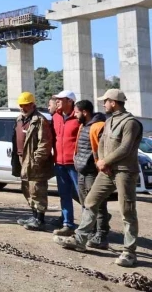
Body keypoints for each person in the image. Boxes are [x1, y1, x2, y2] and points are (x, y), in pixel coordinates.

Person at [55, 89, 143, 268]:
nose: (103, 104)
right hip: (107, 171)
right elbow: (102, 143)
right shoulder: (109, 120)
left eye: (106, 101)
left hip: (125, 171)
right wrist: (101, 162)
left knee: (127, 211)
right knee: (90, 202)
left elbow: (125, 148)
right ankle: (80, 239)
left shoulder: (131, 123)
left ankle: (129, 252)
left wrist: (105, 161)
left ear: (114, 102)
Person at [11, 92, 54, 231]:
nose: (22, 108)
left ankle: (40, 220)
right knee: (27, 189)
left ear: (32, 105)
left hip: (34, 161)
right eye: (21, 105)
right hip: (21, 159)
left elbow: (45, 143)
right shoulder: (19, 119)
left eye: (25, 105)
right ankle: (34, 216)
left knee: (37, 190)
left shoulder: (39, 120)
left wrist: (37, 160)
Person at [72, 99, 109, 249]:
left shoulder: (98, 126)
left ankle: (101, 236)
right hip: (82, 171)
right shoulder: (83, 125)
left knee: (97, 205)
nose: (75, 115)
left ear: (85, 112)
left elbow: (103, 149)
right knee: (86, 204)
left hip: (93, 173)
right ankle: (91, 232)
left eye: (76, 112)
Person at [51, 90, 81, 236]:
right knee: (64, 194)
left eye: (60, 99)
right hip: (59, 163)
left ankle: (92, 224)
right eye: (56, 99)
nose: (57, 102)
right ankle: (68, 224)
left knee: (82, 195)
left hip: (75, 165)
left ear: (70, 101)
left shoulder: (79, 117)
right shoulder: (55, 116)